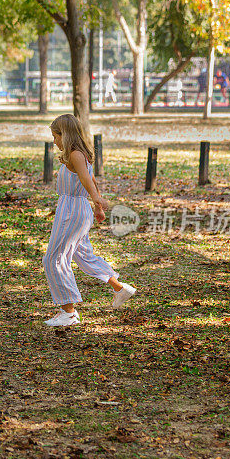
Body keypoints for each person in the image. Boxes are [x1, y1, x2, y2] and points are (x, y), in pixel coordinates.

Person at [42, 114, 137, 326]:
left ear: (64, 135)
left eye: (56, 136)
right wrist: (96, 207)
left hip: (72, 210)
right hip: (78, 209)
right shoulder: (79, 154)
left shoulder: (75, 154)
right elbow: (91, 178)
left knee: (54, 258)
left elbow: (86, 179)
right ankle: (119, 288)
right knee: (82, 254)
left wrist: (97, 199)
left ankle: (68, 312)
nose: (54, 141)